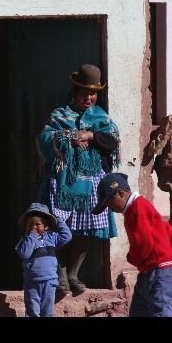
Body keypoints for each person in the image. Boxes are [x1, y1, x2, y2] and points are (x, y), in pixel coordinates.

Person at [36, 64, 121, 294]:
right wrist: (71, 137)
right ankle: (60, 273)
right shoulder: (60, 114)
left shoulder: (101, 117)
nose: (89, 98)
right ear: (75, 92)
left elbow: (112, 141)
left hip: (91, 182)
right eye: (84, 93)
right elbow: (44, 138)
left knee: (86, 229)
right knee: (61, 226)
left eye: (93, 93)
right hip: (63, 181)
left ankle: (73, 272)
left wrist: (91, 135)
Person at [92, 173, 172, 317]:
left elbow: (144, 242)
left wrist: (131, 258)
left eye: (110, 204)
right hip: (148, 270)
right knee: (139, 310)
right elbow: (167, 230)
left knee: (161, 310)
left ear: (120, 193)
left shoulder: (137, 208)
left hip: (159, 270)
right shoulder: (134, 209)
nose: (110, 209)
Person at [15, 202, 72, 317]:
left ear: (46, 227)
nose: (33, 227)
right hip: (32, 283)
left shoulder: (51, 238)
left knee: (47, 311)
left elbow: (67, 236)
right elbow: (25, 254)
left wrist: (59, 220)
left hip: (50, 282)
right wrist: (31, 237)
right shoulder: (25, 240)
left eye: (37, 224)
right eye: (29, 224)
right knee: (33, 311)